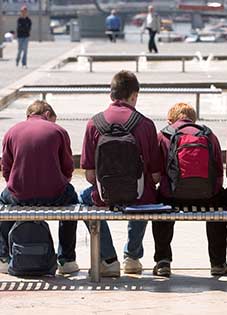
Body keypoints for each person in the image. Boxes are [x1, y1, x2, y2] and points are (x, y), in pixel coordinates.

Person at [153, 102, 227, 277]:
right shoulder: (208, 135)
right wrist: (214, 192)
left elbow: (155, 170)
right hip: (206, 196)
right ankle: (217, 263)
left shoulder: (163, 135)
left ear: (171, 120)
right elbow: (218, 171)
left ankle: (163, 261)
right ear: (193, 119)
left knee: (160, 201)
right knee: (220, 206)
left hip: (172, 196)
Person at [80, 70, 160, 275]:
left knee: (84, 198)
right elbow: (155, 175)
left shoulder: (93, 123)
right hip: (140, 197)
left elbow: (89, 175)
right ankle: (132, 257)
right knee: (147, 192)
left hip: (104, 197)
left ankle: (108, 260)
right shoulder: (146, 124)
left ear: (111, 95)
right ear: (134, 96)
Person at [0, 100, 79, 275]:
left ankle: (3, 258)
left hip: (20, 195)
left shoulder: (12, 132)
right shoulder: (58, 131)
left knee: (2, 200)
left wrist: (17, 186)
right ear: (48, 114)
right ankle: (66, 259)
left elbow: (6, 168)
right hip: (54, 195)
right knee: (73, 199)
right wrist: (59, 183)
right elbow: (68, 167)